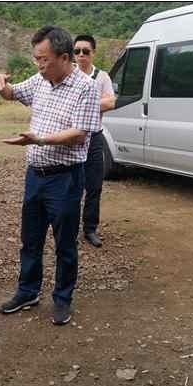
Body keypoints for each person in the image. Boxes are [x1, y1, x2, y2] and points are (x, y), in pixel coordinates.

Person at [0, 26, 101, 325]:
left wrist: (39, 140)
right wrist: (1, 85)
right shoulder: (41, 80)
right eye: (36, 59)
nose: (39, 65)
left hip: (65, 178)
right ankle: (28, 291)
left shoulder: (86, 87)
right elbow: (14, 93)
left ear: (64, 57)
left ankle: (62, 299)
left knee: (65, 243)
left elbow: (80, 134)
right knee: (30, 239)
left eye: (44, 59)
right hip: (35, 175)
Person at [73, 34, 116, 247]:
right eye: (77, 51)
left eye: (85, 51)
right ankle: (69, 229)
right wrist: (95, 104)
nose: (81, 55)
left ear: (93, 53)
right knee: (71, 185)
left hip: (94, 137)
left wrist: (83, 105)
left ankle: (90, 228)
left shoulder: (102, 77)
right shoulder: (68, 75)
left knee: (94, 185)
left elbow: (111, 102)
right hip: (72, 138)